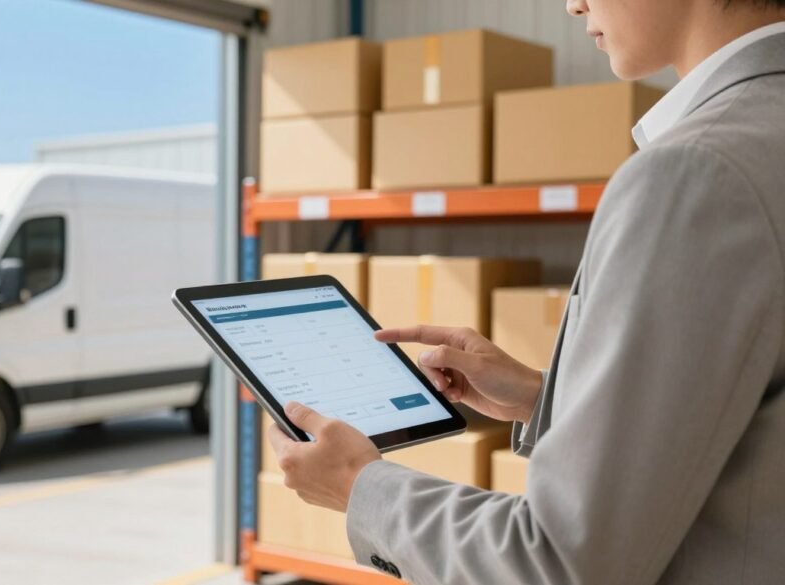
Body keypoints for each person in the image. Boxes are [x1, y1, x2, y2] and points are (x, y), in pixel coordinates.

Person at [266, 1, 785, 583]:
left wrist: (359, 487)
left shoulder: (695, 171)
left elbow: (559, 562)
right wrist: (548, 401)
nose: (573, 3)